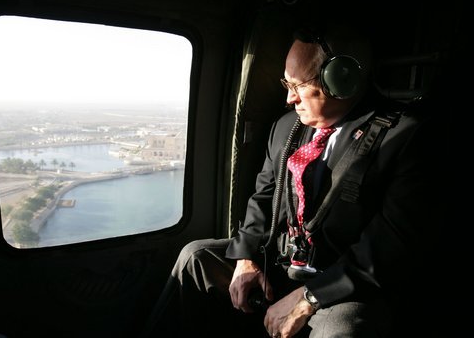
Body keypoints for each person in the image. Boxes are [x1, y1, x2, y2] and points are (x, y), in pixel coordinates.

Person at [140, 23, 439, 338]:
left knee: (344, 329)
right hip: (282, 264)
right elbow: (263, 198)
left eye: (297, 85)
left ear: (341, 80)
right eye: (287, 82)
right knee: (196, 258)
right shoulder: (286, 128)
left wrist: (311, 296)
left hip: (343, 282)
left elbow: (392, 244)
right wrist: (245, 257)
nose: (288, 98)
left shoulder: (406, 137)